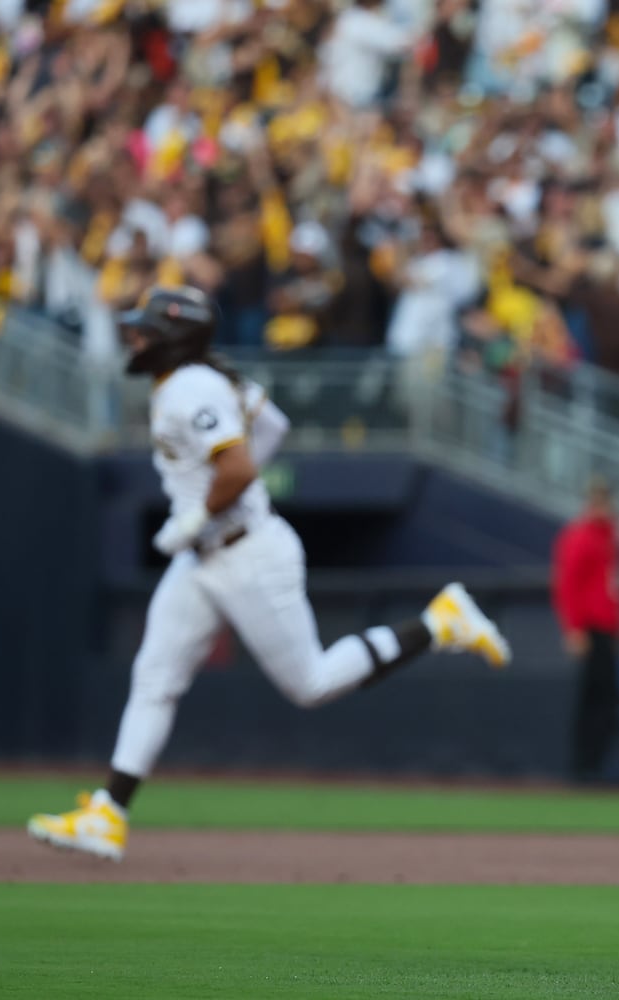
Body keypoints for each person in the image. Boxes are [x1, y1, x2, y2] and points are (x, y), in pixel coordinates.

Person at [28, 286, 511, 862]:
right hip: (206, 557)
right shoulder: (204, 379)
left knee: (310, 683)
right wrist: (205, 520)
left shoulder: (192, 386)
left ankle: (438, 623)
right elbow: (273, 425)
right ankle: (109, 814)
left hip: (247, 552)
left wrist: (196, 516)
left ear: (174, 336)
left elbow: (234, 466)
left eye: (145, 327)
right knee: (154, 678)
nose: (134, 335)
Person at [551, 477, 619, 783]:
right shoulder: (580, 536)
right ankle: (583, 766)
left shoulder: (608, 536)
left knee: (608, 700)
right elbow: (567, 584)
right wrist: (573, 628)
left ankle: (596, 764)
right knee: (592, 699)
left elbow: (613, 587)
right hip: (590, 627)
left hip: (608, 628)